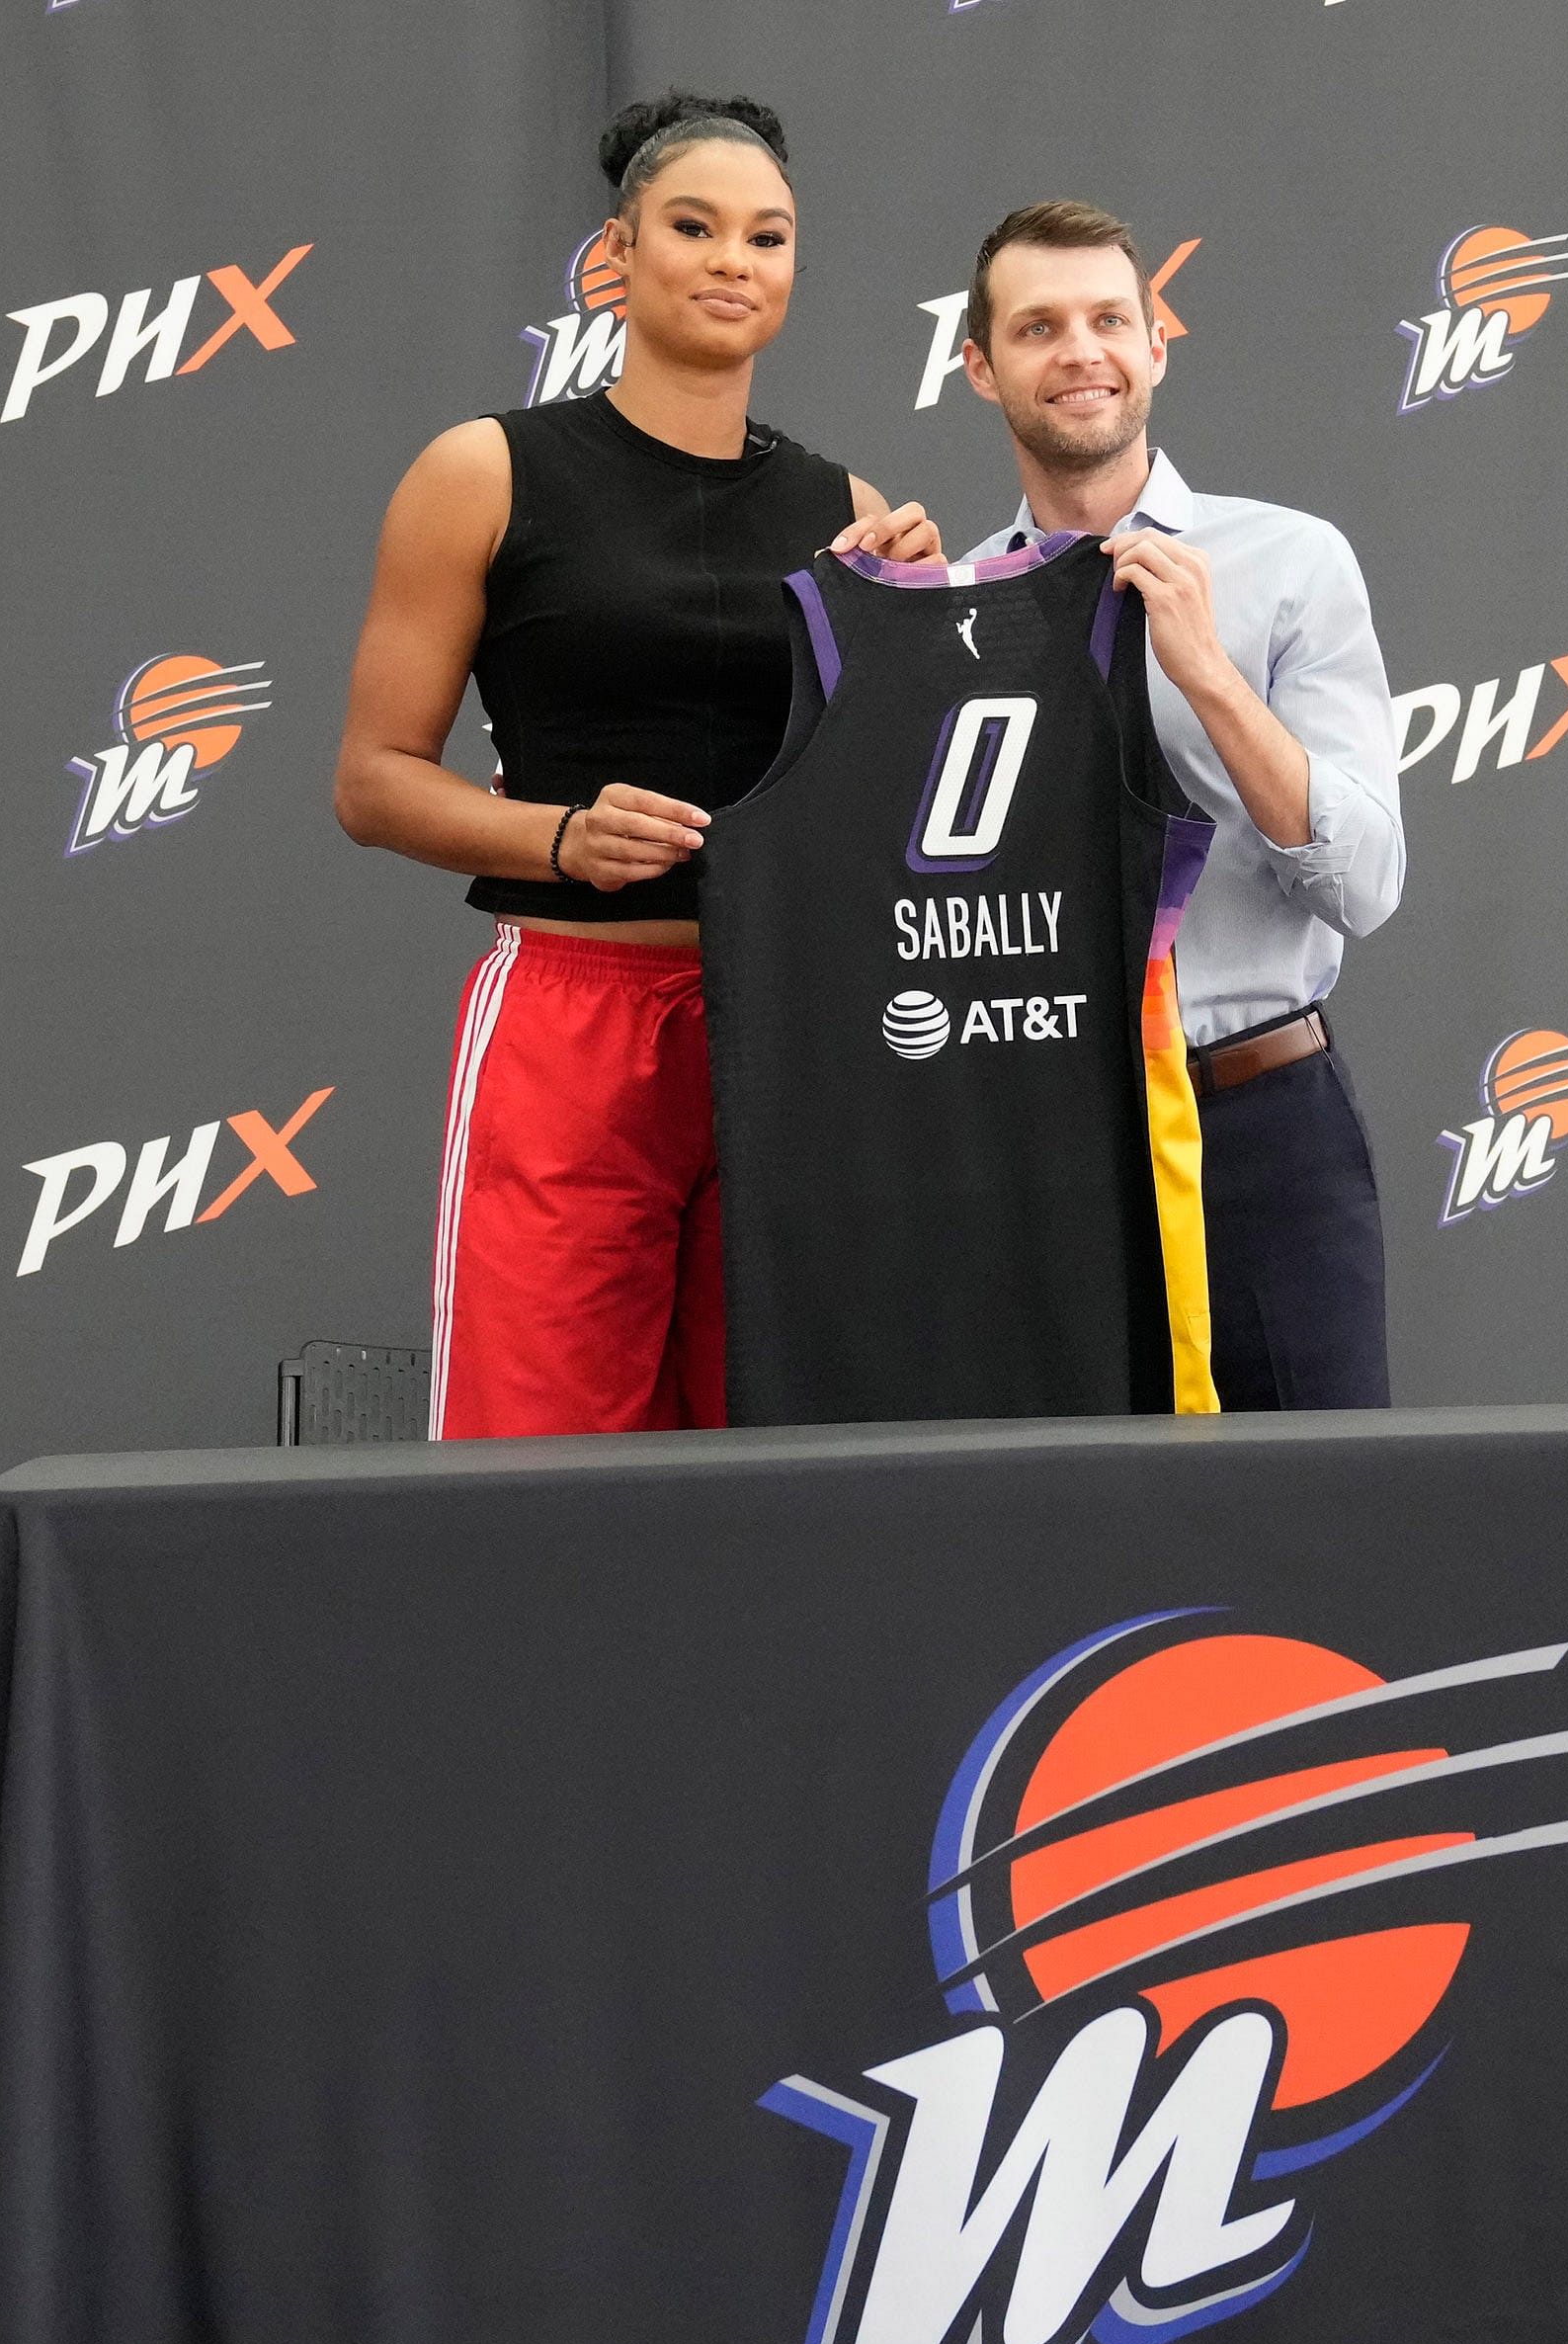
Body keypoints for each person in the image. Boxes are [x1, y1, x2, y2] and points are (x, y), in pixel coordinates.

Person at [333, 93, 942, 1439]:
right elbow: (373, 780)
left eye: (768, 236)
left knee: (776, 1459)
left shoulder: (847, 510)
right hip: (569, 1019)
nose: (735, 259)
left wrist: (909, 625)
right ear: (616, 254)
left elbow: (877, 808)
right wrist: (557, 839)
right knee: (535, 1464)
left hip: (784, 1028)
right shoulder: (486, 470)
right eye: (695, 226)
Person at [953, 201, 1406, 1411]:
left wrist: (1208, 677)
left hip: (1259, 1132)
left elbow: (1364, 883)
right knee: (1056, 1549)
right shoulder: (950, 610)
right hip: (1038, 1150)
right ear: (979, 365)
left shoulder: (1292, 562)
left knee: (1306, 1548)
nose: (1081, 351)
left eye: (1110, 318)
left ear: (1158, 343)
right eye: (1038, 326)